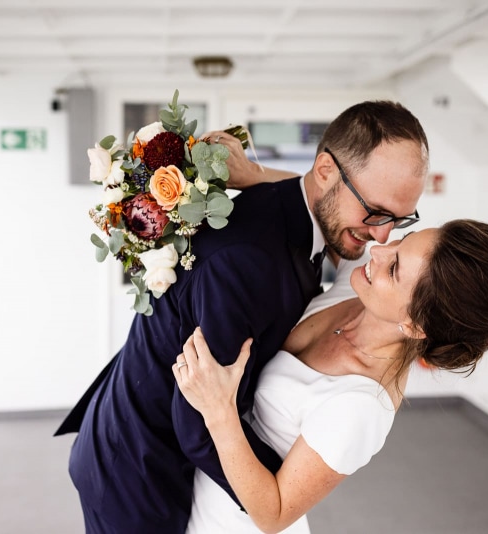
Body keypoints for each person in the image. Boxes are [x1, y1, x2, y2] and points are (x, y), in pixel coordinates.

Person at [54, 100, 429, 533]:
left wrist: (256, 174)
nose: (381, 236)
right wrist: (284, 489)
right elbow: (195, 420)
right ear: (325, 171)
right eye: (376, 212)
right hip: (136, 471)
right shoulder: (248, 262)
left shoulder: (303, 216)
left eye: (400, 220)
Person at [174, 220, 488, 533]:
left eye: (394, 268)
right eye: (401, 241)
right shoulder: (362, 283)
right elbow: (328, 198)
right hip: (188, 492)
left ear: (414, 325)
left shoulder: (359, 407)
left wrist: (218, 412)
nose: (379, 250)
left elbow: (275, 515)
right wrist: (249, 172)